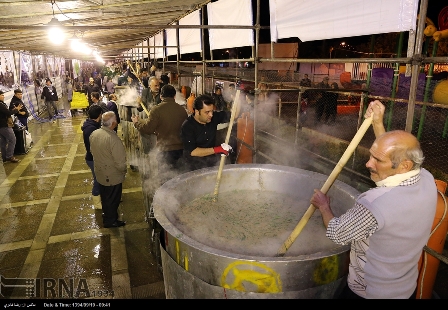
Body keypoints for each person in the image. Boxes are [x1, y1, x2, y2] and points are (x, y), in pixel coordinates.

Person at [310, 100, 437, 299]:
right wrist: (377, 123)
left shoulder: (375, 204)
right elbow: (393, 156)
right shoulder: (426, 179)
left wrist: (324, 206)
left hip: (369, 292)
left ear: (404, 166)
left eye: (377, 160)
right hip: (404, 289)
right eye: (371, 156)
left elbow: (336, 233)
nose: (369, 164)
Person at [131, 85, 188, 182]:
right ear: (174, 96)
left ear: (161, 96)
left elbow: (148, 129)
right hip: (181, 150)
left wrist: (136, 123)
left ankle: (165, 196)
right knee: (178, 178)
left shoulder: (156, 110)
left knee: (165, 179)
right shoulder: (182, 110)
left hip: (165, 150)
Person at [181, 94, 238, 171]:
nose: (211, 115)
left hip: (210, 163)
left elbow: (234, 114)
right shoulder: (188, 126)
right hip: (193, 166)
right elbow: (193, 151)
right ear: (197, 112)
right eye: (207, 112)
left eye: (212, 111)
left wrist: (238, 97)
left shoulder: (213, 117)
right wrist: (218, 149)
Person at [90, 111, 127, 228]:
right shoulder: (113, 139)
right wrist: (123, 171)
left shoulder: (94, 133)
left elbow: (92, 151)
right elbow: (120, 163)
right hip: (112, 176)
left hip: (100, 173)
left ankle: (107, 216)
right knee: (113, 200)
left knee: (105, 197)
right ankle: (111, 221)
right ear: (113, 123)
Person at [81, 105, 103, 196]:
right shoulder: (91, 129)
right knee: (98, 179)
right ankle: (97, 200)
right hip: (93, 158)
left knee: (99, 178)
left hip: (93, 157)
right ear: (100, 115)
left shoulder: (92, 125)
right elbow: (93, 147)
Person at [0, 90, 22, 163]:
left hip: (2, 126)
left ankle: (4, 157)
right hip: (4, 125)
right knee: (12, 139)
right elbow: (8, 113)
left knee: (3, 141)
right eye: (2, 95)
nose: (3, 96)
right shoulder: (0, 105)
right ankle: (9, 156)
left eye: (3, 95)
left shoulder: (2, 104)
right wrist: (16, 110)